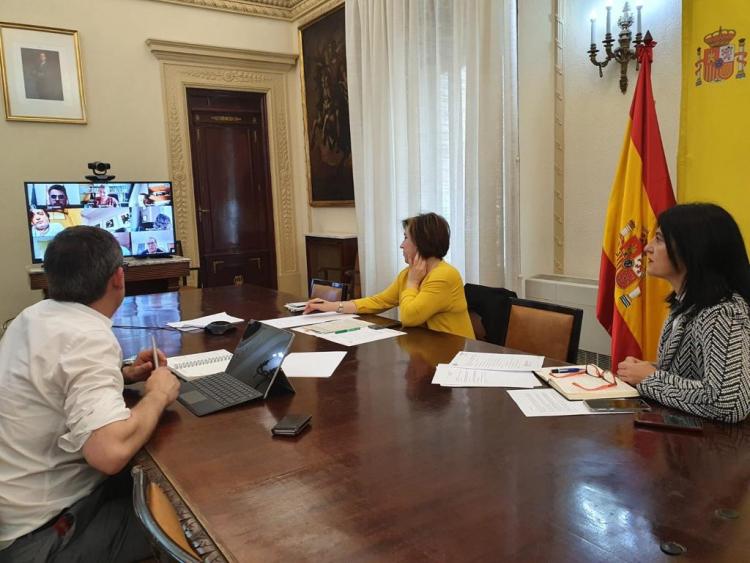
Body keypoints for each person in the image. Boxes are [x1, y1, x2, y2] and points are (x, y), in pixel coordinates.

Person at [0, 226, 180, 560]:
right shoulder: (87, 336)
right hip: (45, 537)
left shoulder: (31, 317)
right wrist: (158, 393)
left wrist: (122, 375)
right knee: (186, 517)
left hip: (15, 512)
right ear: (118, 277)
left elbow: (51, 381)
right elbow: (108, 453)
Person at [617, 203, 750, 423]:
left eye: (659, 239)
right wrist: (648, 370)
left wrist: (650, 378)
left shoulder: (722, 313)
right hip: (688, 437)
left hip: (719, 449)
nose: (648, 247)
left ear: (692, 250)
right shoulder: (686, 302)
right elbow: (694, 376)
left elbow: (729, 402)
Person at [304, 212, 475, 338]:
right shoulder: (408, 273)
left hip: (453, 355)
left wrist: (412, 283)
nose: (401, 245)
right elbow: (380, 301)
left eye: (406, 238)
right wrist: (332, 306)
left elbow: (409, 317)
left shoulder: (444, 276)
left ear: (421, 243)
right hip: (426, 348)